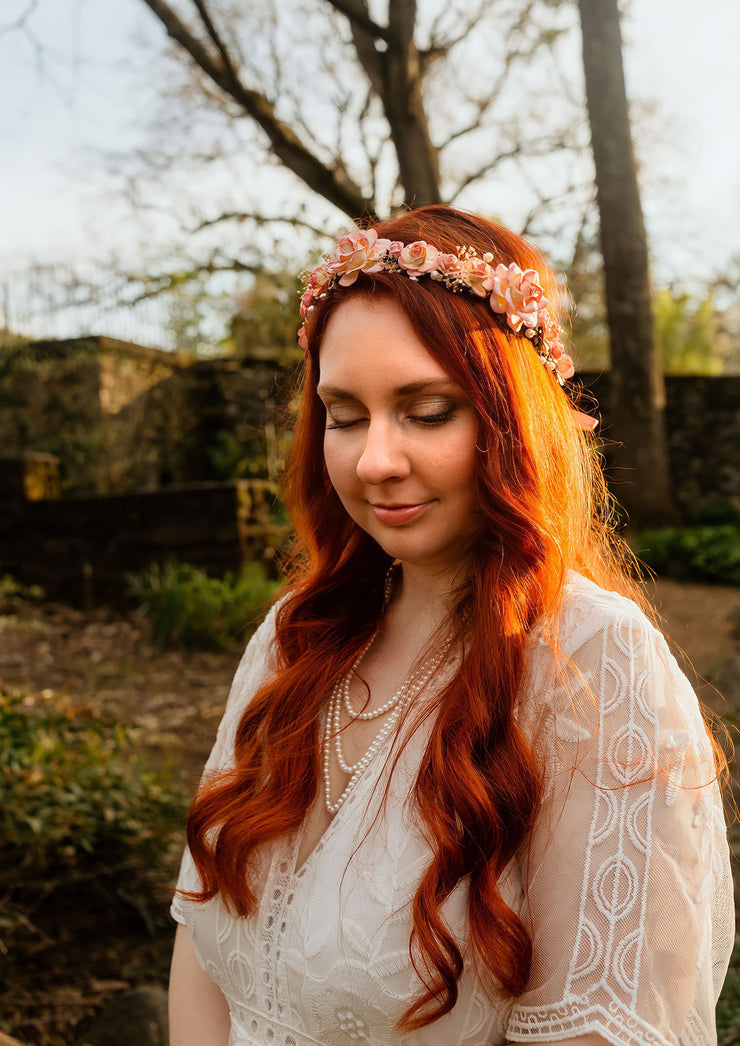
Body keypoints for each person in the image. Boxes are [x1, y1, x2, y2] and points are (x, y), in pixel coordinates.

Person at [168, 206, 734, 1046]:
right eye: (346, 414)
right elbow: (201, 947)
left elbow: (602, 1028)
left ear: (512, 418)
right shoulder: (294, 634)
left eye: (426, 411)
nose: (375, 460)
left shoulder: (593, 663)